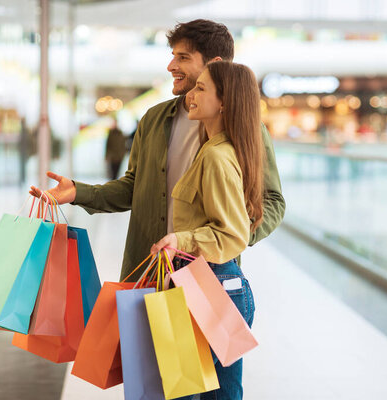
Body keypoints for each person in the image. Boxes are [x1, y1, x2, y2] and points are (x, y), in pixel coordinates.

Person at [29, 19, 285, 282]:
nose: (171, 66)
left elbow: (272, 200)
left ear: (215, 64)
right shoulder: (153, 119)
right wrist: (77, 192)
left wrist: (234, 237)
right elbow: (132, 187)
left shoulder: (245, 130)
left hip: (206, 278)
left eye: (182, 58)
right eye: (173, 56)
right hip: (148, 270)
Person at [150, 59, 262, 400]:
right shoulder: (216, 149)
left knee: (184, 391)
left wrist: (179, 238)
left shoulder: (216, 156)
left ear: (224, 101)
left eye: (201, 88)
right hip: (215, 285)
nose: (192, 95)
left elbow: (232, 235)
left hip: (211, 287)